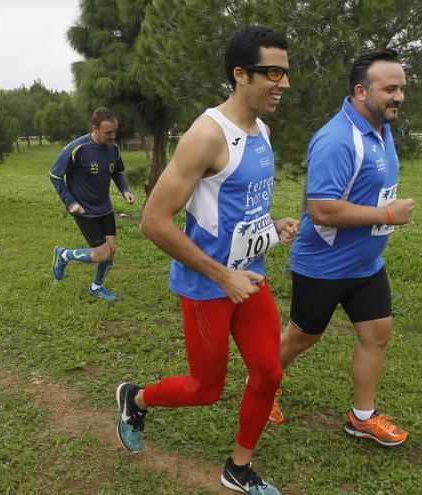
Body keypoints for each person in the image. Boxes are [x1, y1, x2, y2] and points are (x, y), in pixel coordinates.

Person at [115, 25, 298, 495]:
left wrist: (271, 230)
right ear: (241, 74)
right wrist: (222, 275)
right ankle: (136, 399)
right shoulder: (206, 135)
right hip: (206, 287)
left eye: (286, 72)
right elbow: (154, 221)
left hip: (250, 279)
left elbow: (236, 209)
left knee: (269, 371)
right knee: (205, 388)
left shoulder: (262, 130)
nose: (284, 83)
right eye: (273, 72)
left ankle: (239, 466)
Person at [267, 49, 415, 449]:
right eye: (390, 89)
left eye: (401, 88)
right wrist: (387, 214)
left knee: (377, 334)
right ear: (361, 91)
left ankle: (361, 417)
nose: (399, 96)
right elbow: (323, 210)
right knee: (301, 338)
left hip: (366, 264)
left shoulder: (382, 129)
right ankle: (261, 387)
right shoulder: (336, 140)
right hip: (323, 266)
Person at [49, 107, 136, 302]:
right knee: (101, 254)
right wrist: (70, 203)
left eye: (115, 131)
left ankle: (96, 288)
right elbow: (55, 175)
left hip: (105, 207)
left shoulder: (114, 149)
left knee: (111, 251)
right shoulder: (77, 148)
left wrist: (125, 191)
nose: (113, 136)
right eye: (108, 132)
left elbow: (117, 172)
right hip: (84, 209)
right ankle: (63, 255)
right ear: (94, 128)